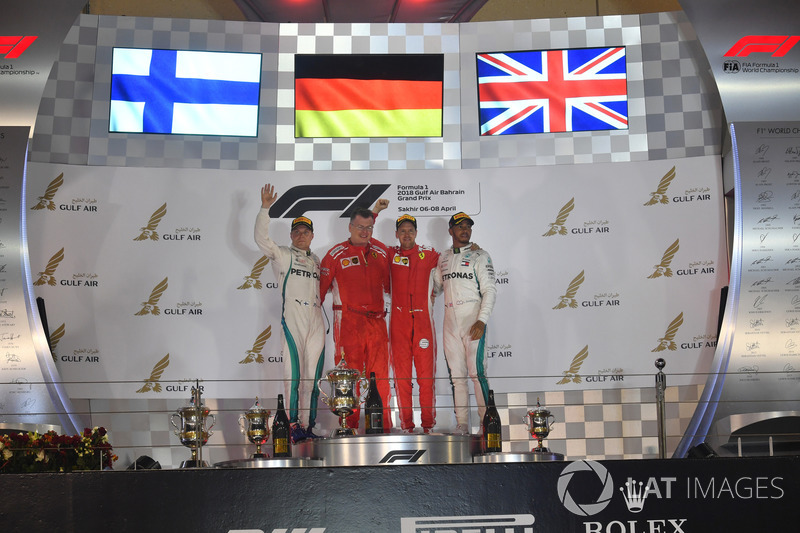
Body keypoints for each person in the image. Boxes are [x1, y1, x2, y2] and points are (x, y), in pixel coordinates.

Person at [254, 184, 325, 442]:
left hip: (316, 319)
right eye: (297, 231)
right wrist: (265, 209)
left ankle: (309, 424)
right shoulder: (284, 255)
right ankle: (293, 423)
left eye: (306, 231)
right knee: (293, 375)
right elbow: (262, 240)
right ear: (292, 235)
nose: (301, 235)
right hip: (293, 318)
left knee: (313, 376)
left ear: (312, 236)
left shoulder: (317, 260)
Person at [319, 203, 392, 431]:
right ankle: (348, 427)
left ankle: (381, 427)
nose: (364, 232)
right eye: (359, 227)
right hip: (349, 322)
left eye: (369, 227)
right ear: (350, 227)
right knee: (348, 377)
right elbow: (318, 294)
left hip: (377, 322)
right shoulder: (334, 255)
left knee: (379, 377)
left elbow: (396, 277)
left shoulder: (381, 252)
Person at [434, 211, 497, 434]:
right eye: (460, 227)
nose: (465, 230)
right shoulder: (442, 258)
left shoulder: (480, 255)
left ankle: (486, 424)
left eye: (468, 226)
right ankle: (462, 424)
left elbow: (489, 290)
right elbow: (434, 288)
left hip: (472, 319)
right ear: (451, 231)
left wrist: (481, 320)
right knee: (457, 376)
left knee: (477, 373)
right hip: (450, 322)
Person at [382, 211, 440, 434]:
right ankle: (407, 425)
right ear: (397, 234)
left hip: (424, 322)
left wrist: (471, 248)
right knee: (402, 377)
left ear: (416, 232)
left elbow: (448, 266)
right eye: (402, 231)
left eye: (410, 230)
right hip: (399, 322)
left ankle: (427, 425)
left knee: (426, 377)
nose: (407, 234)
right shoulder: (389, 254)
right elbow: (371, 250)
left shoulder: (430, 254)